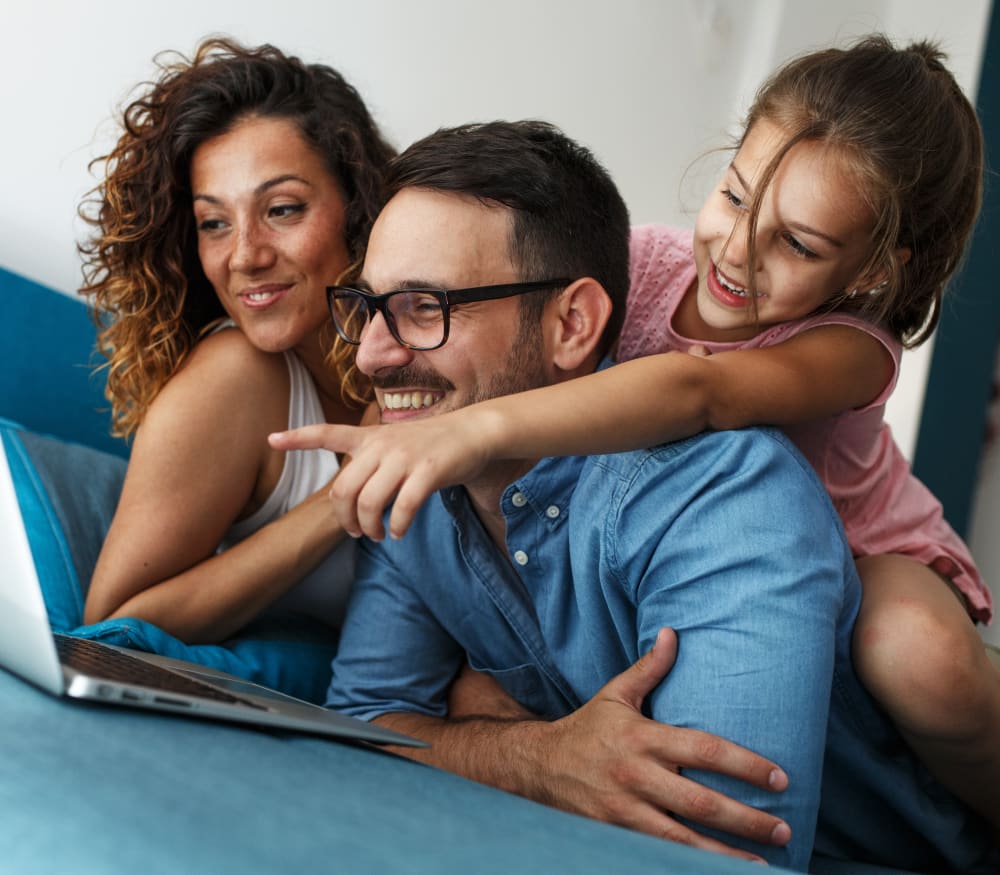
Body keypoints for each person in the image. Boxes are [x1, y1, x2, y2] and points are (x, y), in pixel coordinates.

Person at [280, 36, 1000, 826]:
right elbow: (541, 288)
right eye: (732, 197)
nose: (735, 251)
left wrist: (469, 432)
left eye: (795, 243)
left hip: (877, 545)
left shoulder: (850, 349)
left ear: (869, 272)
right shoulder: (650, 265)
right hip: (682, 552)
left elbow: (699, 389)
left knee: (918, 658)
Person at [75, 38, 394, 694]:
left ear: (357, 211)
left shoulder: (430, 340)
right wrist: (342, 498)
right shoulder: (235, 380)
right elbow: (111, 627)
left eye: (281, 210)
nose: (245, 255)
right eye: (214, 223)